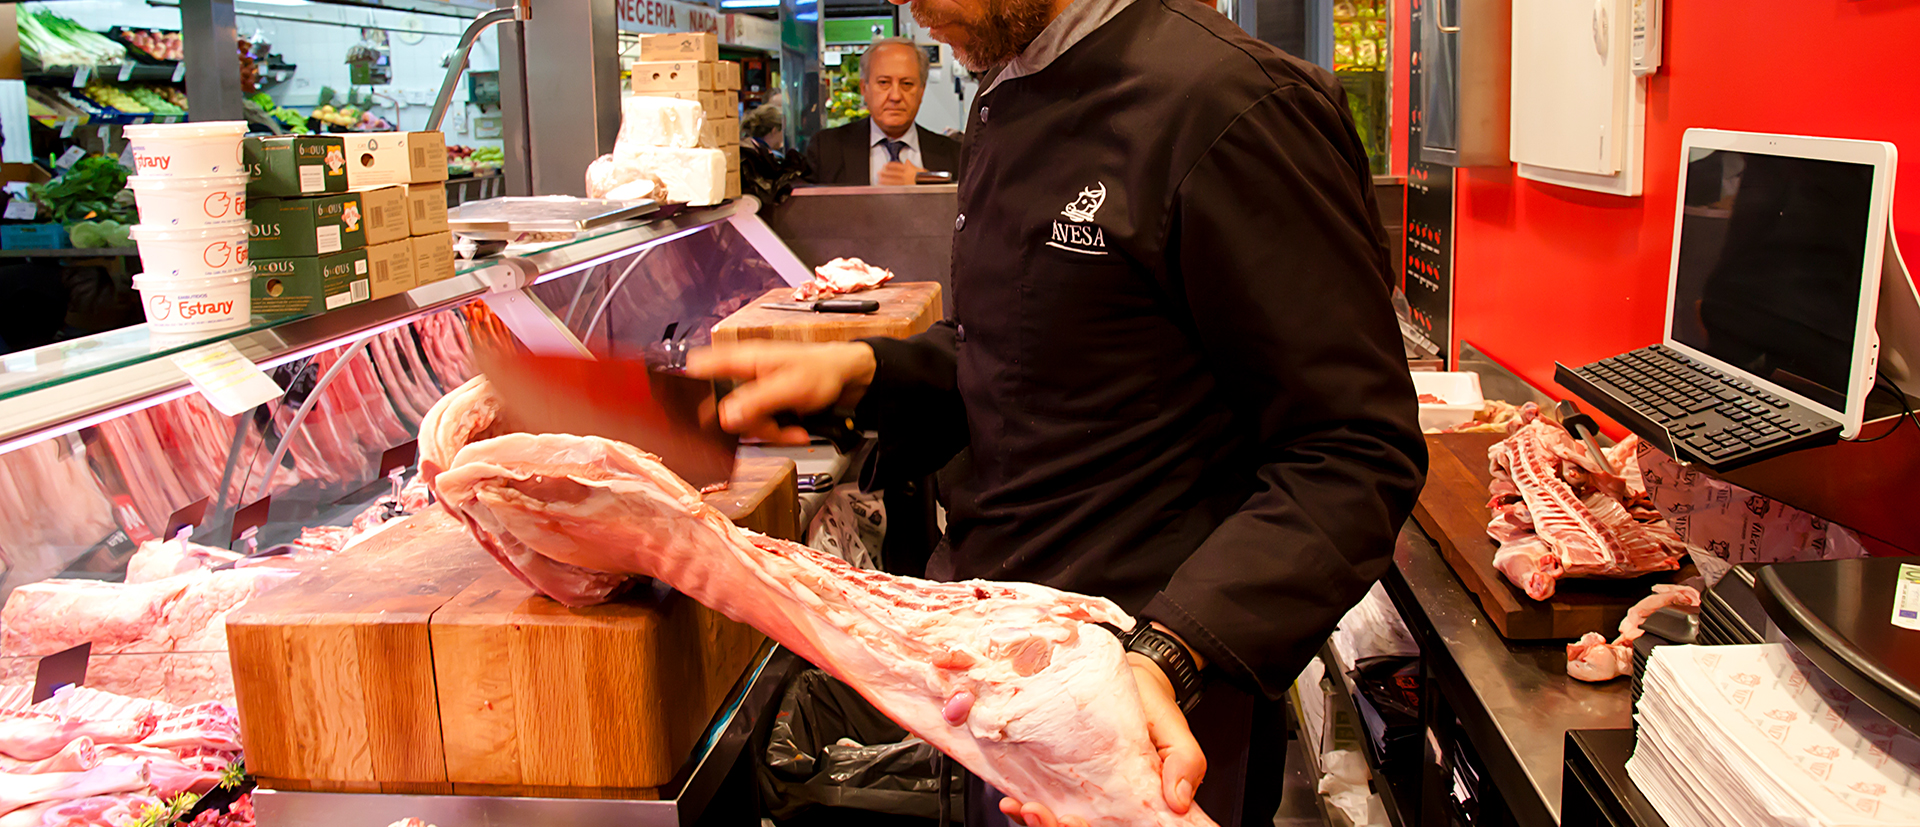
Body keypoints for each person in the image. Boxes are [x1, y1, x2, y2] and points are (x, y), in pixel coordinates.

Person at [690, 0, 1426, 824]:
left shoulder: (1231, 106)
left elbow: (1354, 448)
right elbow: (1034, 360)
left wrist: (1169, 653)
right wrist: (870, 374)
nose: (919, 11)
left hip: (1150, 712)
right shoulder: (1013, 83)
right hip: (998, 681)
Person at [805, 37, 961, 186]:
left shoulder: (955, 155)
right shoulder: (827, 150)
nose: (895, 96)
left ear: (922, 91)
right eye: (884, 83)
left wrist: (925, 183)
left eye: (907, 84)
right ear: (864, 88)